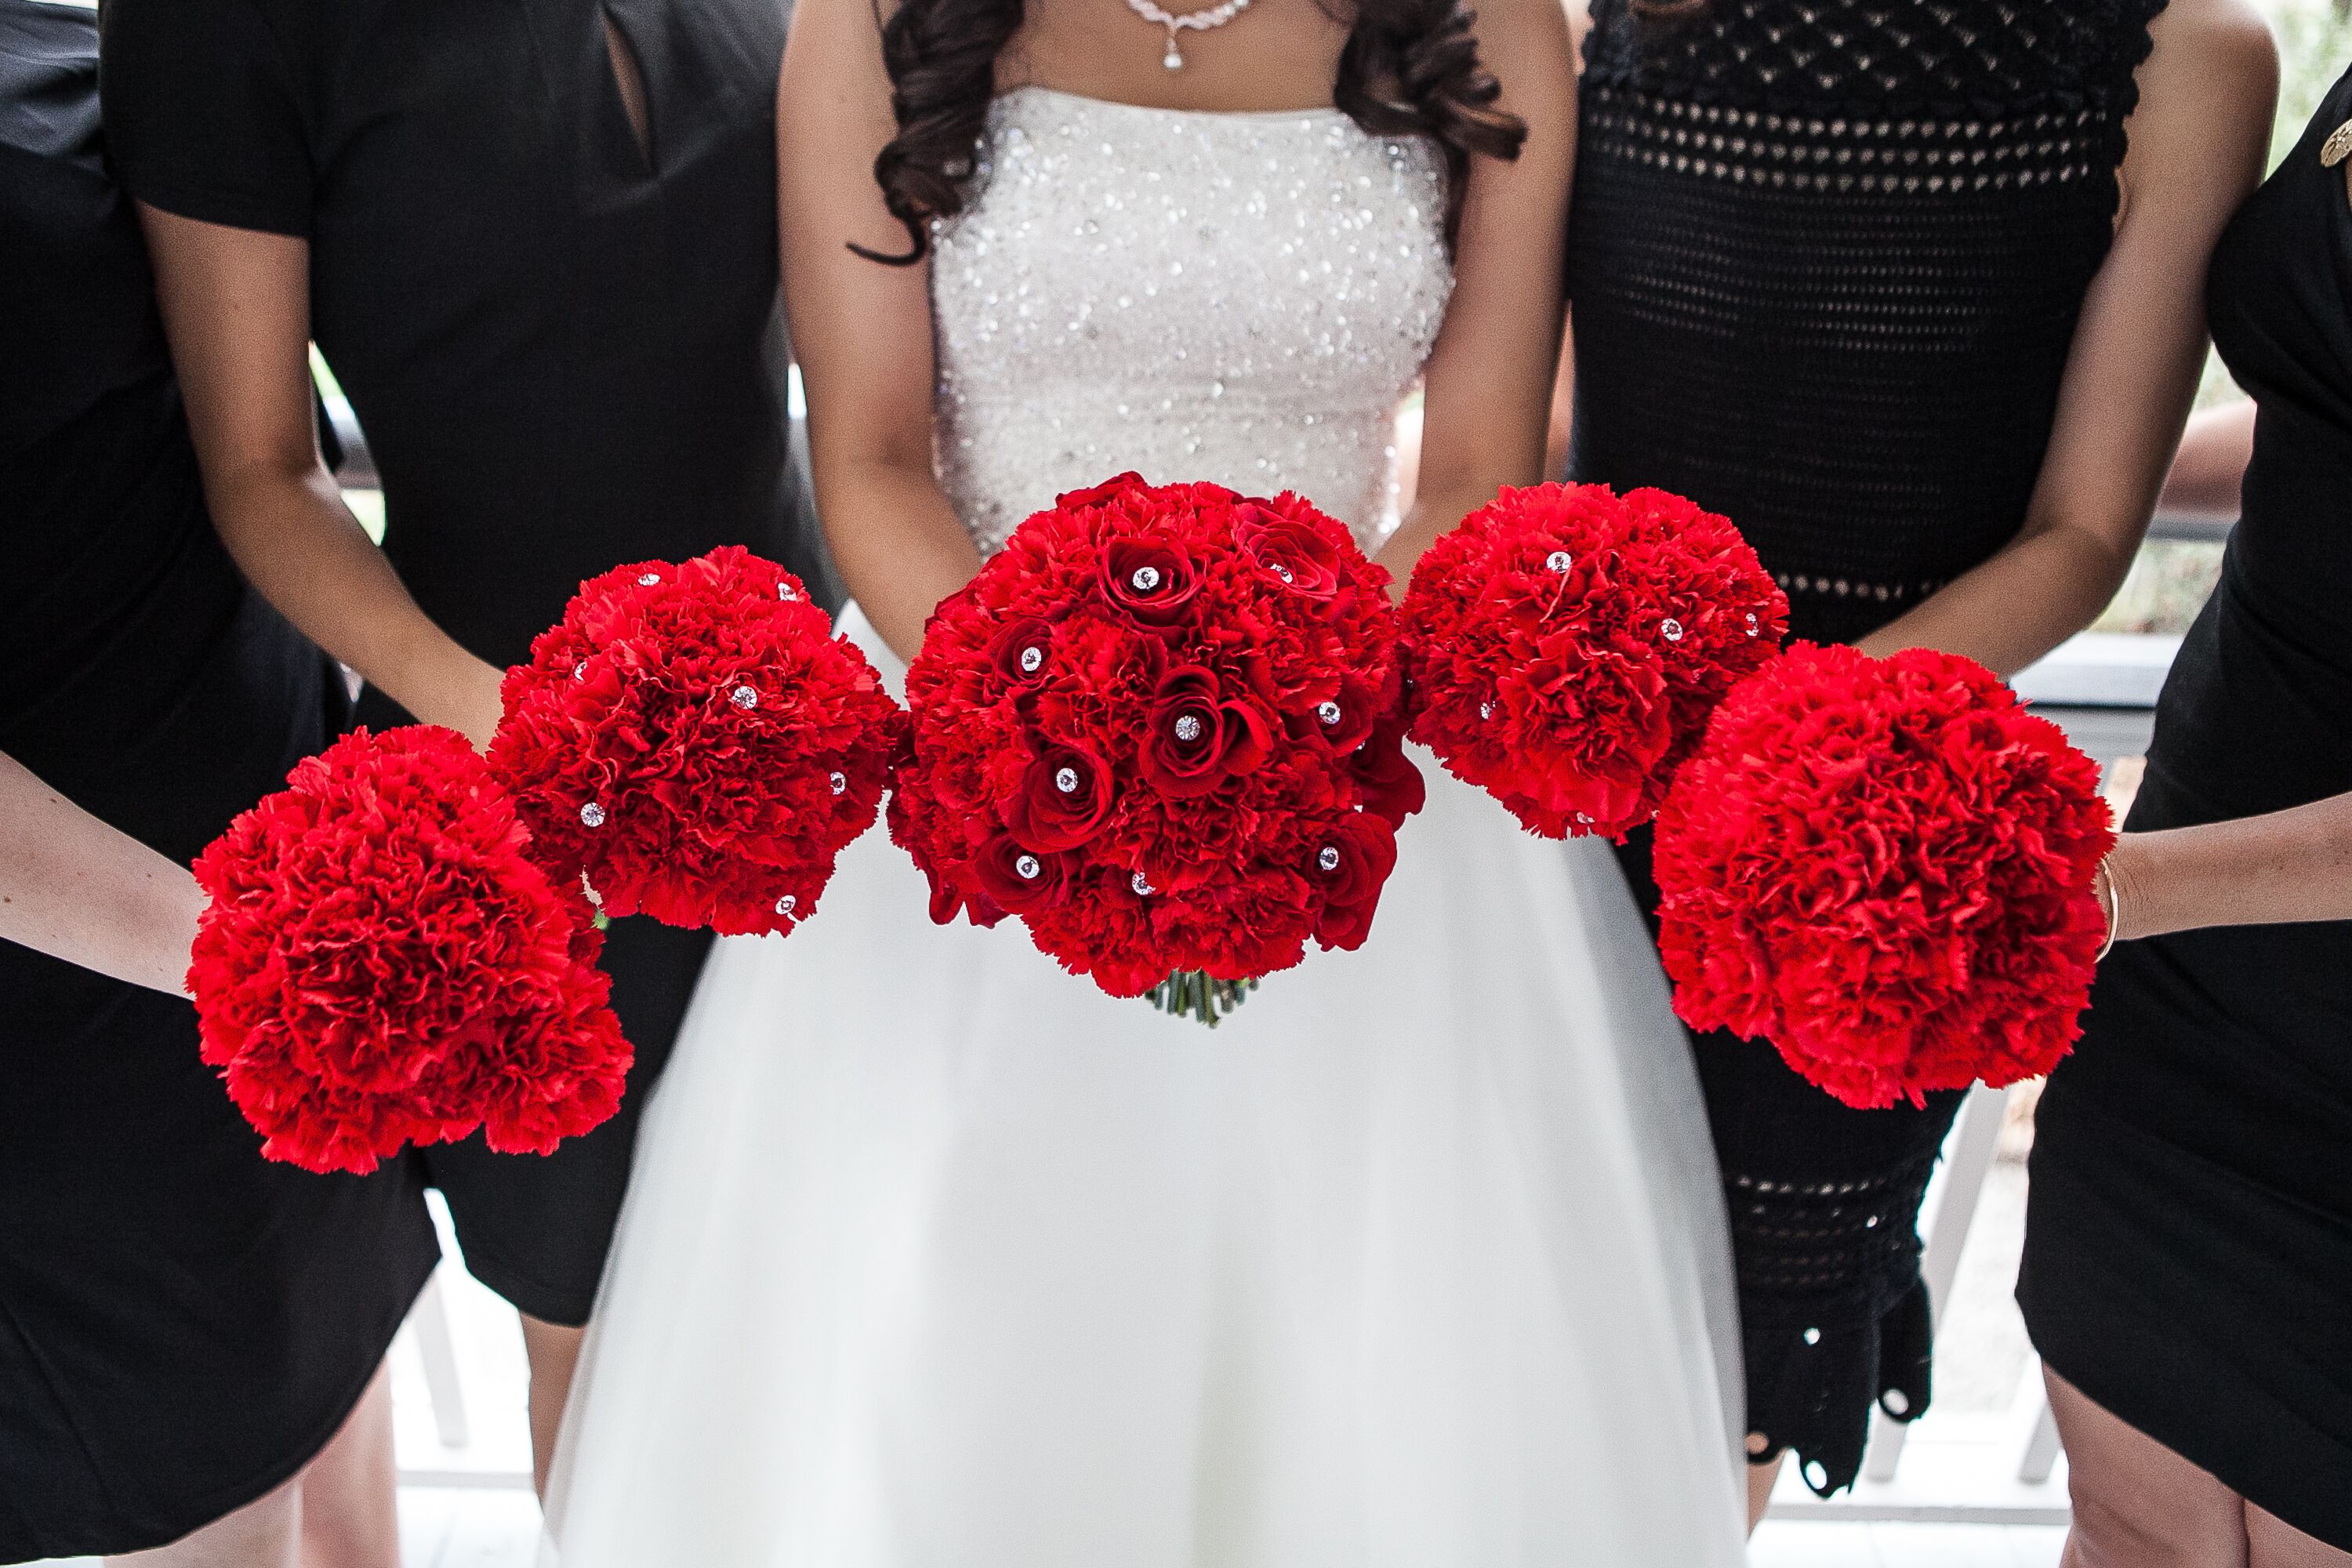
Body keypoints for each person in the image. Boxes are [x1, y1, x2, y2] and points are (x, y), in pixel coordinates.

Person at [543, 0, 1751, 1560]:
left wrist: (1292, 738)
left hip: (1360, 778)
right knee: (963, 1359)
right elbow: (873, 456)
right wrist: (1052, 727)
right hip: (978, 773)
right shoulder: (874, 18)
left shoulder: (1495, 17)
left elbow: (1473, 475)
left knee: (1379, 1380)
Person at [1559, 0, 2277, 1523]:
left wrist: (1781, 755)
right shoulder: (1600, 15)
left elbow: (2086, 530)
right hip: (1570, 793)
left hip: (1862, 859)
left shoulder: (2190, 58)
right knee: (1511, 1318)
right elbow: (1555, 422)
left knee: (1730, 1397)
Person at [96, 0, 826, 1488]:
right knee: (609, 1345)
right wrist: (518, 726)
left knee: (847, 1299)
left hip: (820, 746)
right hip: (523, 804)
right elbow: (263, 474)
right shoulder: (213, 23)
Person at [0, 2, 437, 1559]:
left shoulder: (68, 45)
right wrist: (250, 956)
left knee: (348, 1488)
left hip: (287, 908)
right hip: (96, 1023)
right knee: (219, 1509)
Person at [2018, 64, 2352, 1565]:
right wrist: (2076, 496)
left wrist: (2094, 888)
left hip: (2202, 895)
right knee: (2128, 1520)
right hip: (2188, 949)